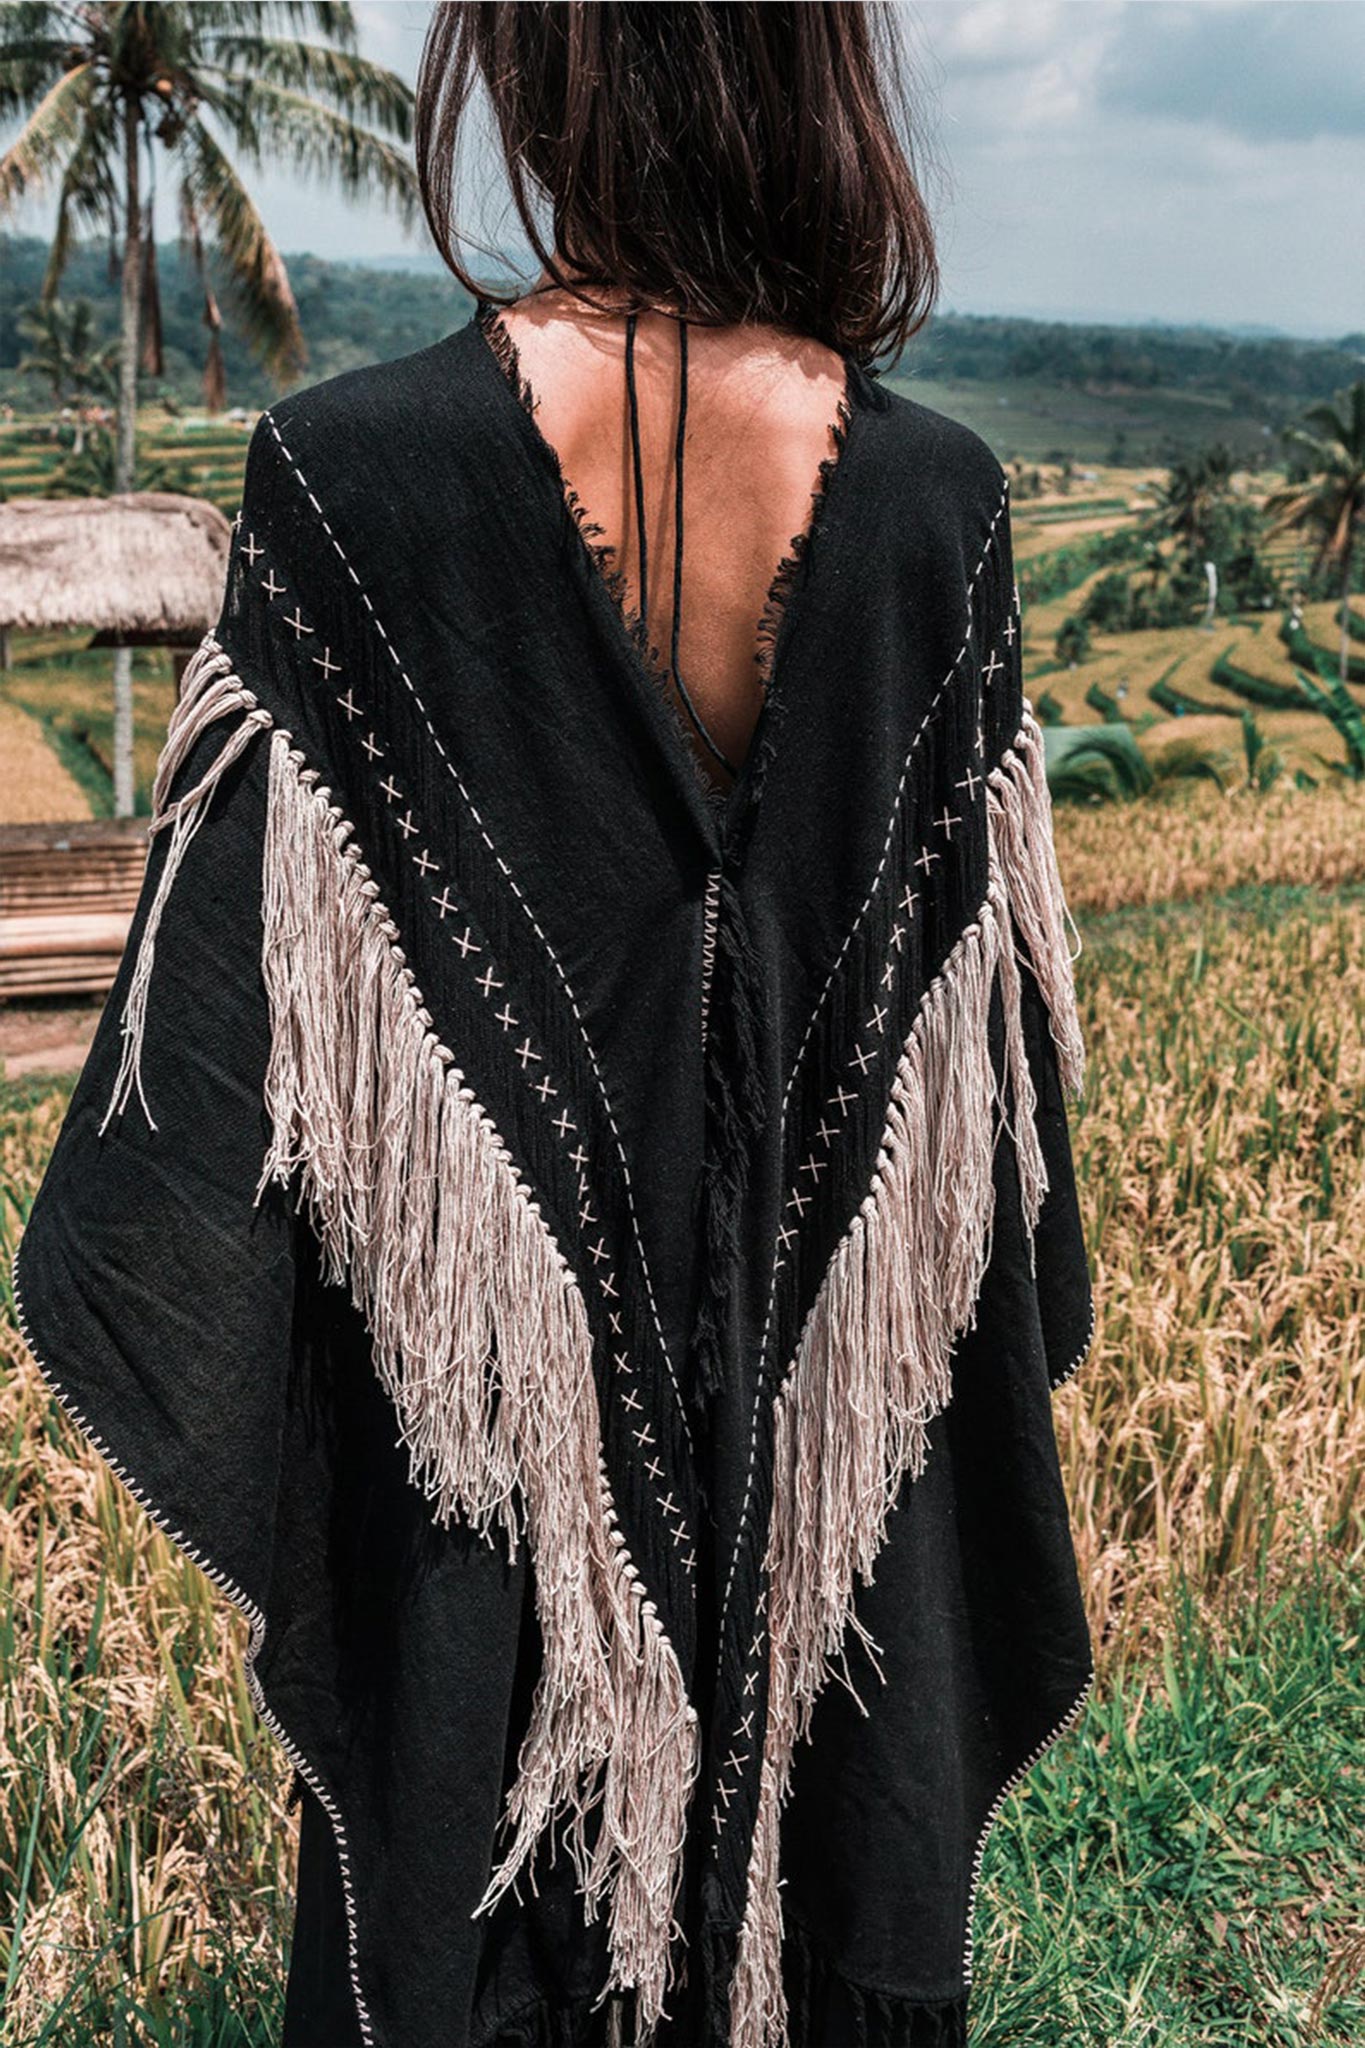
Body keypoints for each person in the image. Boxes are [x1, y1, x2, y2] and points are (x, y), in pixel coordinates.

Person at [12, 6, 1096, 2046]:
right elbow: (989, 1209)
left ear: (524, 58)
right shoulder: (928, 522)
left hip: (463, 1621)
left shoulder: (348, 495)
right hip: (830, 1657)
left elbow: (198, 1146)